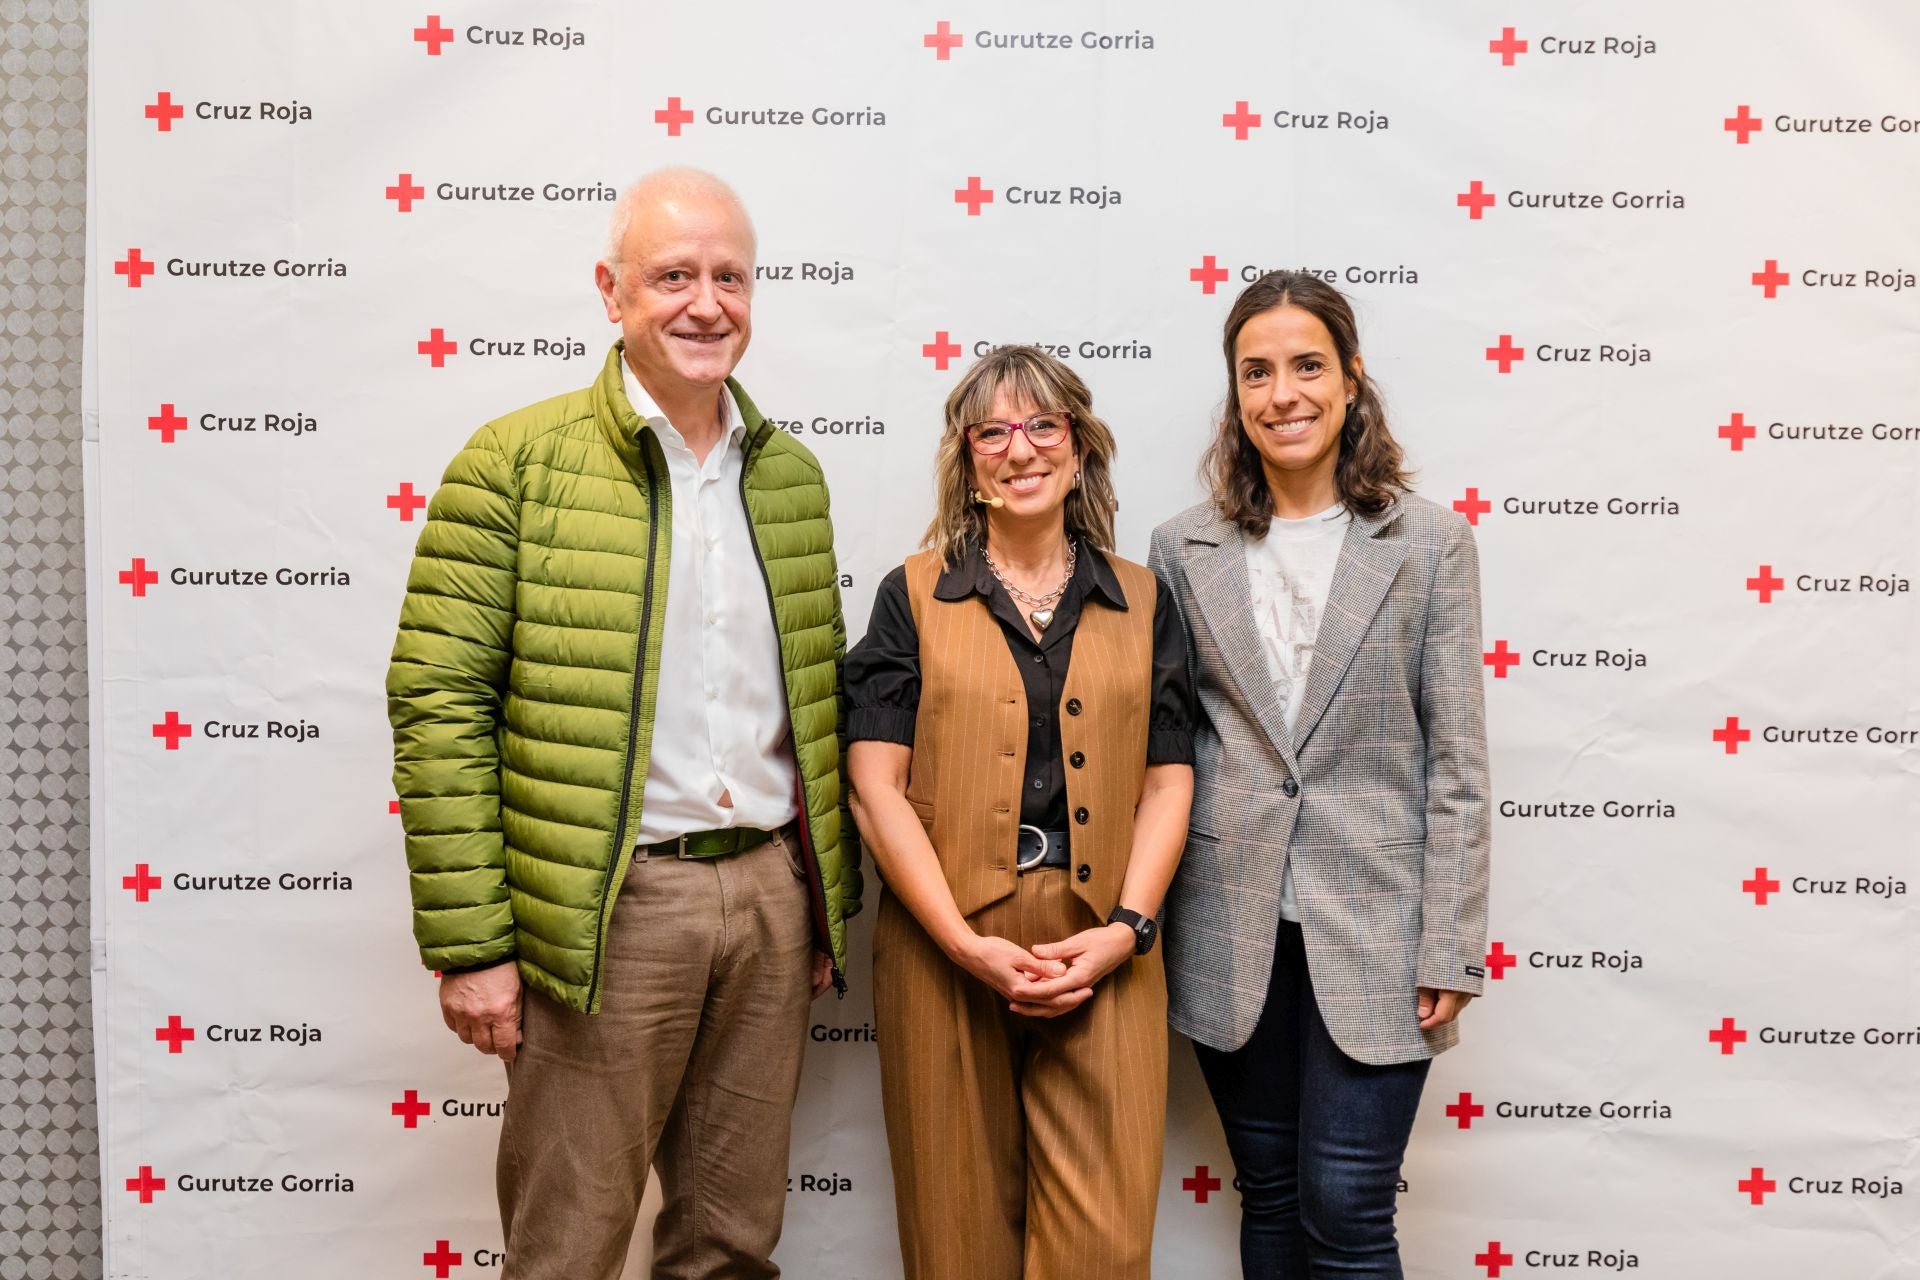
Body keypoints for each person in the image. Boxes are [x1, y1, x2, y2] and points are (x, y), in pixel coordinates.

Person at [386, 167, 859, 1280]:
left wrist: (820, 897)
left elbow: (815, 697)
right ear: (611, 290)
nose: (706, 303)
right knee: (570, 1243)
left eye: (729, 277)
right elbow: (438, 701)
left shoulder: (791, 476)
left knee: (733, 1241)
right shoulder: (514, 463)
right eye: (673, 276)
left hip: (768, 903)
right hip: (608, 914)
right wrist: (472, 946)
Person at [1148, 271, 1490, 1278]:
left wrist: (1454, 942)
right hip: (1229, 920)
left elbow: (1459, 760)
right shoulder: (1182, 547)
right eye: (1257, 371)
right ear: (1235, 393)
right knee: (1274, 1189)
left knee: (1347, 1202)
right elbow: (1173, 747)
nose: (1281, 393)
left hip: (1380, 922)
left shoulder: (1429, 544)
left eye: (1307, 366)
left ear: (1350, 382)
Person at [844, 346, 1195, 1278]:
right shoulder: (911, 595)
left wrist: (1128, 928)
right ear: (969, 459)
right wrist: (963, 944)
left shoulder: (1145, 597)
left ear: (1078, 447)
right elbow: (875, 789)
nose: (1020, 448)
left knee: (1106, 1248)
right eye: (992, 431)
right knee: (954, 1239)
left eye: (1043, 425)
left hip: (1104, 948)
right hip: (942, 946)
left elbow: (1169, 780)